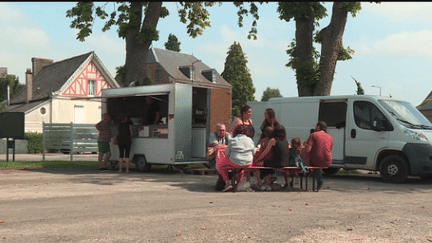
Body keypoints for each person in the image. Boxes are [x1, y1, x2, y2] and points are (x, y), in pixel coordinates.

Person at [216, 124, 256, 192]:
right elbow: (254, 152)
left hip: (235, 161)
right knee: (242, 168)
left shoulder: (232, 140)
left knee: (221, 165)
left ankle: (227, 183)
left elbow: (226, 153)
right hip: (248, 162)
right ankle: (237, 185)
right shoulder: (250, 140)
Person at [302, 121, 333, 190]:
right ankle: (317, 179)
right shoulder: (330, 137)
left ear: (318, 126)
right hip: (327, 161)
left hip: (316, 160)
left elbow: (308, 150)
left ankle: (303, 175)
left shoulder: (313, 135)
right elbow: (329, 149)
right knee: (316, 165)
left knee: (307, 161)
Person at [258, 124, 290, 191]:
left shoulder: (273, 140)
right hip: (286, 163)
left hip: (278, 163)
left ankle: (264, 184)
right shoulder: (285, 140)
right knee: (268, 164)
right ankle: (287, 183)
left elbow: (265, 152)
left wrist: (258, 159)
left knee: (263, 164)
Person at [208, 123, 232, 191]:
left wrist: (221, 146)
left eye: (223, 130)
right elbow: (216, 144)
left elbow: (232, 144)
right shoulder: (213, 135)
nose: (222, 132)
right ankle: (223, 184)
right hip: (214, 158)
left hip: (226, 157)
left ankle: (226, 184)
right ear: (217, 130)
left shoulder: (227, 135)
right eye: (220, 130)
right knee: (219, 168)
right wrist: (226, 146)